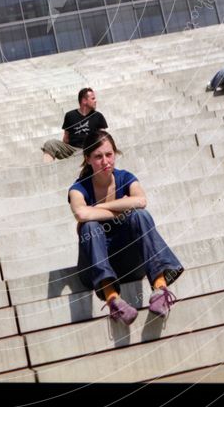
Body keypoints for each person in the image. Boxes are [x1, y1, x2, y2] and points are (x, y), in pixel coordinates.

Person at [67, 130, 184, 324]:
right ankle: (113, 300)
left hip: (130, 263)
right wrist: (122, 206)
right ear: (87, 158)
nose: (105, 161)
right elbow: (81, 213)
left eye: (109, 154)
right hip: (94, 269)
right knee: (88, 226)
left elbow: (140, 201)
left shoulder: (126, 178)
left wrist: (99, 207)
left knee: (140, 215)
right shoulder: (78, 189)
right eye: (98, 156)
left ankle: (160, 290)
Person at [41, 88, 108, 163]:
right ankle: (48, 168)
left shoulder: (98, 116)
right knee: (50, 144)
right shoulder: (70, 115)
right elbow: (66, 138)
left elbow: (103, 138)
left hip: (88, 149)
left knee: (80, 154)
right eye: (93, 98)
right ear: (84, 101)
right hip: (71, 149)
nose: (95, 101)